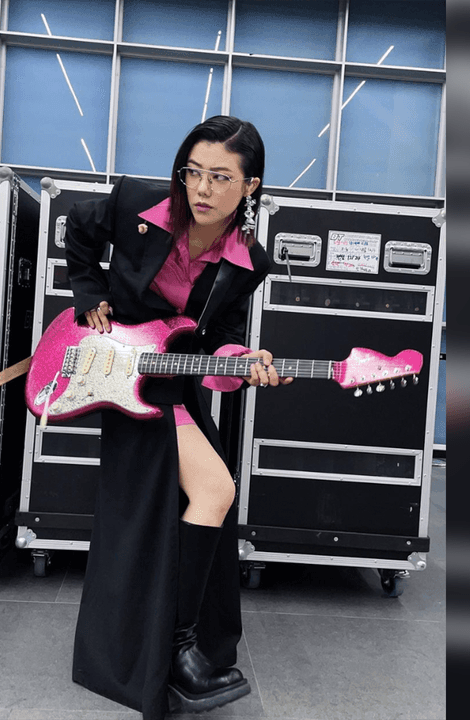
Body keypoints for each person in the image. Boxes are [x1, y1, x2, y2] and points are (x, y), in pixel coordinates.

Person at [64, 116, 292, 719]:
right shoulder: (135, 203)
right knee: (214, 489)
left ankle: (176, 641)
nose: (202, 189)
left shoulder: (249, 262)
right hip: (117, 373)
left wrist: (243, 361)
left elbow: (219, 340)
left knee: (206, 493)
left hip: (174, 382)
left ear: (251, 186)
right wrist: (89, 295)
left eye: (221, 177)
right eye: (193, 172)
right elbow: (78, 230)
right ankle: (177, 648)